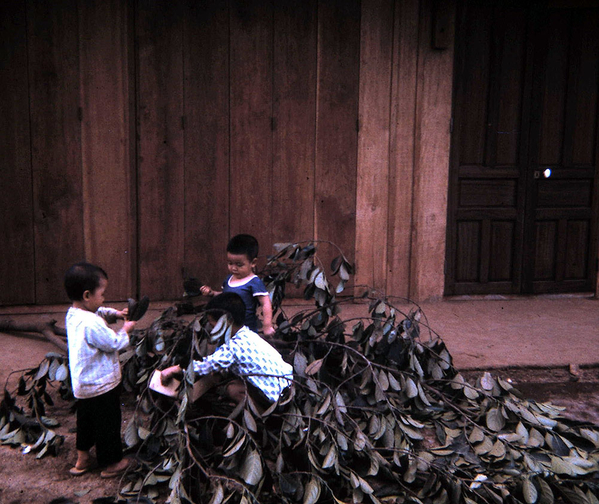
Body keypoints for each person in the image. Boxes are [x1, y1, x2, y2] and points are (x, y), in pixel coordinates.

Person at [64, 262, 137, 478]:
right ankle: (112, 462)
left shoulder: (74, 314)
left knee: (85, 420)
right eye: (102, 294)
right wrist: (125, 329)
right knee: (108, 424)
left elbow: (98, 311)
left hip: (83, 386)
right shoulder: (91, 324)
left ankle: (83, 458)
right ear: (87, 295)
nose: (104, 299)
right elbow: (113, 342)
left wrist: (114, 313)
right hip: (102, 385)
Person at [160, 293, 292, 407]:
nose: (211, 328)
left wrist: (176, 369)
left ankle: (263, 418)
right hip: (288, 387)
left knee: (233, 389)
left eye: (212, 324)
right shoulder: (248, 335)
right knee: (225, 377)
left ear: (225, 322)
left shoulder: (233, 347)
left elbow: (207, 365)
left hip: (276, 398)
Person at [200, 234, 275, 336]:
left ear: (253, 263)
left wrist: (267, 325)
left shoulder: (254, 282)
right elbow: (225, 297)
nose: (234, 268)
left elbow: (265, 303)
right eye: (230, 263)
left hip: (246, 330)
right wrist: (212, 293)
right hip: (226, 327)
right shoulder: (228, 279)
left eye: (239, 265)